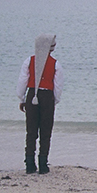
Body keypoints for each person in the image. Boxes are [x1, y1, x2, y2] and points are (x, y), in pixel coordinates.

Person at [16, 33, 62, 174]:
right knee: (45, 131)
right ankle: (43, 164)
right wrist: (54, 100)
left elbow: (22, 81)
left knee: (31, 131)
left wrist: (22, 98)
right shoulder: (55, 64)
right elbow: (58, 86)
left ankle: (29, 164)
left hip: (31, 95)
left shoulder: (29, 61)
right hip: (47, 96)